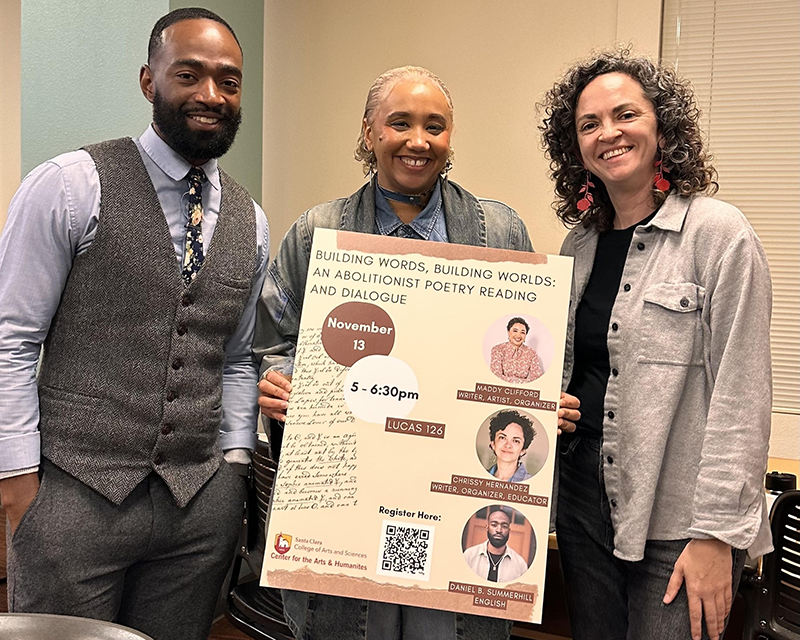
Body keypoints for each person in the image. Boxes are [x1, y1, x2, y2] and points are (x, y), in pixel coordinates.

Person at [254, 65, 580, 640]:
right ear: (369, 132)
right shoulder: (317, 232)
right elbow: (273, 340)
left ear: (451, 138)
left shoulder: (500, 230)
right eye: (399, 123)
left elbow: (547, 349)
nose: (418, 140)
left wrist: (543, 403)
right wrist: (279, 379)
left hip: (455, 502)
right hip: (346, 504)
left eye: (436, 125)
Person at [0, 8, 269, 640]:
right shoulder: (69, 185)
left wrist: (232, 468)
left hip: (197, 507)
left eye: (228, 81)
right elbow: (12, 338)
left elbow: (234, 357)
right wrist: (14, 473)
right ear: (149, 81)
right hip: (71, 494)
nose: (210, 95)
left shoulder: (251, 221)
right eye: (189, 74)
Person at [539, 49, 773, 640]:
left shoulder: (719, 235)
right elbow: (579, 370)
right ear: (577, 150)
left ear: (662, 125)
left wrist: (718, 536)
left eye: (625, 115)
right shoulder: (578, 247)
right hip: (584, 507)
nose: (608, 134)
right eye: (589, 125)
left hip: (678, 525)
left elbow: (741, 397)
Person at [462, 506, 530, 583]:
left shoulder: (520, 565)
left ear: (509, 530)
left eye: (504, 526)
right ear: (487, 527)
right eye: (494, 525)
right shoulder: (469, 555)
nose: (499, 530)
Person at [490, 317, 543, 384]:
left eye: (522, 332)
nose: (518, 335)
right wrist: (524, 382)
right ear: (508, 332)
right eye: (515, 331)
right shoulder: (498, 349)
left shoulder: (532, 353)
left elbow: (537, 379)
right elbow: (495, 377)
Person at [486, 410, 535, 482]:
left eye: (516, 441)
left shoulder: (534, 483)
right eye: (502, 438)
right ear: (493, 444)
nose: (508, 445)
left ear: (522, 450)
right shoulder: (477, 475)